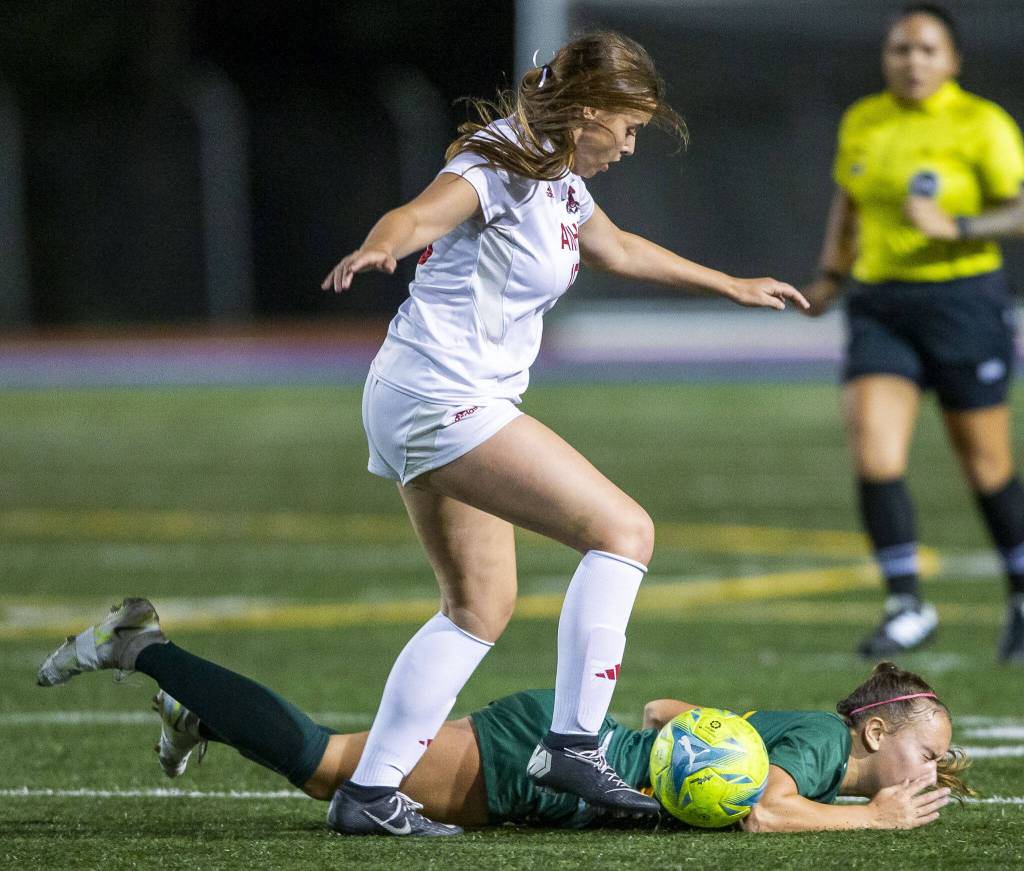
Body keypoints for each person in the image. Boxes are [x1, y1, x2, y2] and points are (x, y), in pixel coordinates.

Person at [313, 31, 806, 834]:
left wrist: (730, 284)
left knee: (478, 607)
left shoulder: (560, 180)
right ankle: (574, 741)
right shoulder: (501, 161)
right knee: (623, 528)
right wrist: (381, 245)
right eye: (630, 127)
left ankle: (371, 792)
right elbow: (421, 211)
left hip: (428, 395)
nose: (632, 145)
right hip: (444, 395)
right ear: (586, 112)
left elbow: (618, 248)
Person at [37, 599, 965, 832]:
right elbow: (762, 806)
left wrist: (689, 741)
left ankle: (195, 704)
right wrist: (870, 815)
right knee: (332, 768)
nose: (935, 769)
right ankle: (142, 645)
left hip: (556, 763)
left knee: (338, 761)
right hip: (536, 758)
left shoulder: (802, 733)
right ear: (877, 730)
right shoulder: (815, 748)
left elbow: (661, 707)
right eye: (931, 750)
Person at [801, 3, 1024, 661]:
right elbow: (847, 204)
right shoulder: (865, 120)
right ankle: (907, 603)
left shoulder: (980, 122)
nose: (913, 61)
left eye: (928, 50)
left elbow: (1018, 208)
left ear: (952, 60)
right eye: (901, 49)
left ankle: (1020, 592)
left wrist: (956, 227)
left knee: (986, 467)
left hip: (963, 303)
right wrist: (828, 278)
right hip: (880, 305)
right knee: (875, 453)